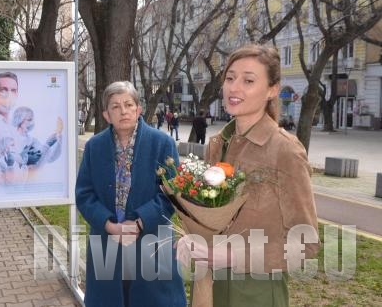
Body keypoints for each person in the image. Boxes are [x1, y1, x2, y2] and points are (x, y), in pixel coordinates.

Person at [176, 44, 319, 307]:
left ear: (272, 90)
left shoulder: (284, 150)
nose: (234, 87)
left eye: (248, 80)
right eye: (230, 78)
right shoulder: (219, 143)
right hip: (208, 286)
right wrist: (189, 238)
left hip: (256, 292)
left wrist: (230, 257)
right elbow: (208, 212)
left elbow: (306, 243)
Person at [76, 81, 186, 307]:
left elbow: (171, 194)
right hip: (107, 240)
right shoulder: (94, 147)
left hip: (152, 239)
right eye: (115, 106)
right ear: (106, 115)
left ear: (138, 109)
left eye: (128, 104)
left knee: (154, 300)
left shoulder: (162, 143)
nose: (123, 111)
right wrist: (108, 225)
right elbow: (84, 194)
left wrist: (139, 222)